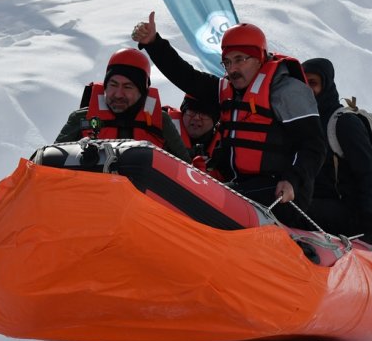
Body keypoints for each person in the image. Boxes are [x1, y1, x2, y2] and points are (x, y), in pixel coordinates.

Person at [131, 13, 326, 228]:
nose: (232, 69)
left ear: (260, 57)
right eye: (227, 62)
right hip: (241, 186)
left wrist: (292, 181)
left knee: (198, 201)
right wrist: (154, 44)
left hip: (280, 192)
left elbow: (313, 145)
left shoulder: (287, 91)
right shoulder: (228, 90)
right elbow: (187, 77)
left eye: (240, 59)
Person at [55, 48, 189, 161]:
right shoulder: (81, 119)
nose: (118, 94)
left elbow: (186, 168)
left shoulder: (161, 121)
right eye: (113, 85)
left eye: (128, 87)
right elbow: (51, 162)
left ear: (142, 92)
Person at [302, 57, 372, 244]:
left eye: (312, 83)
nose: (306, 89)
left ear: (326, 83)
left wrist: (368, 222)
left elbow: (369, 173)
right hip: (312, 201)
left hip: (345, 212)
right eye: (302, 83)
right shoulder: (304, 120)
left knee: (287, 210)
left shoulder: (343, 123)